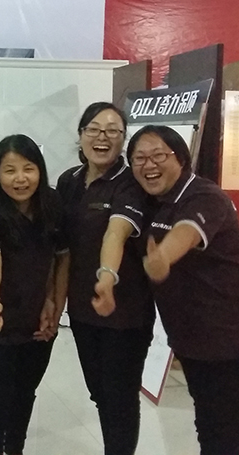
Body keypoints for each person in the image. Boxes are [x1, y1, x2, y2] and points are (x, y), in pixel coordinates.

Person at [127, 125, 239, 455]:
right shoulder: (152, 201)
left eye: (158, 155)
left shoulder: (205, 196)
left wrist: (163, 257)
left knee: (217, 432)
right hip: (193, 340)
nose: (149, 165)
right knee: (227, 426)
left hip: (233, 338)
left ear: (181, 158)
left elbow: (187, 231)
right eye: (139, 158)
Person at [56, 103, 153, 455]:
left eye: (113, 131)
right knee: (99, 391)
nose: (103, 137)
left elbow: (117, 232)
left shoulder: (130, 184)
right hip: (83, 309)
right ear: (81, 135)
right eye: (94, 129)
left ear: (123, 139)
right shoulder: (69, 181)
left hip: (124, 311)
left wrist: (107, 277)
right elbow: (62, 247)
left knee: (120, 397)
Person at [0, 134, 69, 455]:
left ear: (40, 170)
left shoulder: (52, 204)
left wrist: (54, 303)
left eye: (28, 169)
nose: (20, 179)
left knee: (25, 395)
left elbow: (61, 257)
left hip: (37, 321)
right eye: (10, 170)